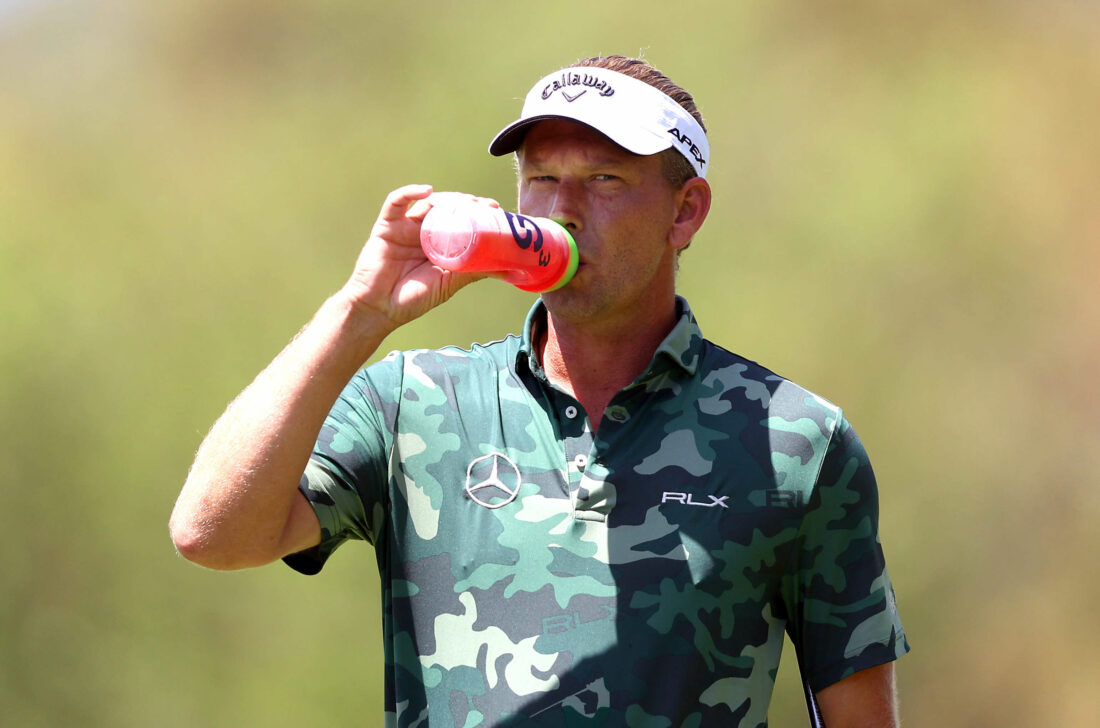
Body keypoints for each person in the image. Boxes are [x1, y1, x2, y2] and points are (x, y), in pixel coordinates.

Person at [171, 55, 909, 727]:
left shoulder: (794, 439)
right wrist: (358, 313)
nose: (561, 209)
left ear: (684, 211)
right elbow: (212, 534)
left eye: (604, 179)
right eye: (542, 177)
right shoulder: (414, 402)